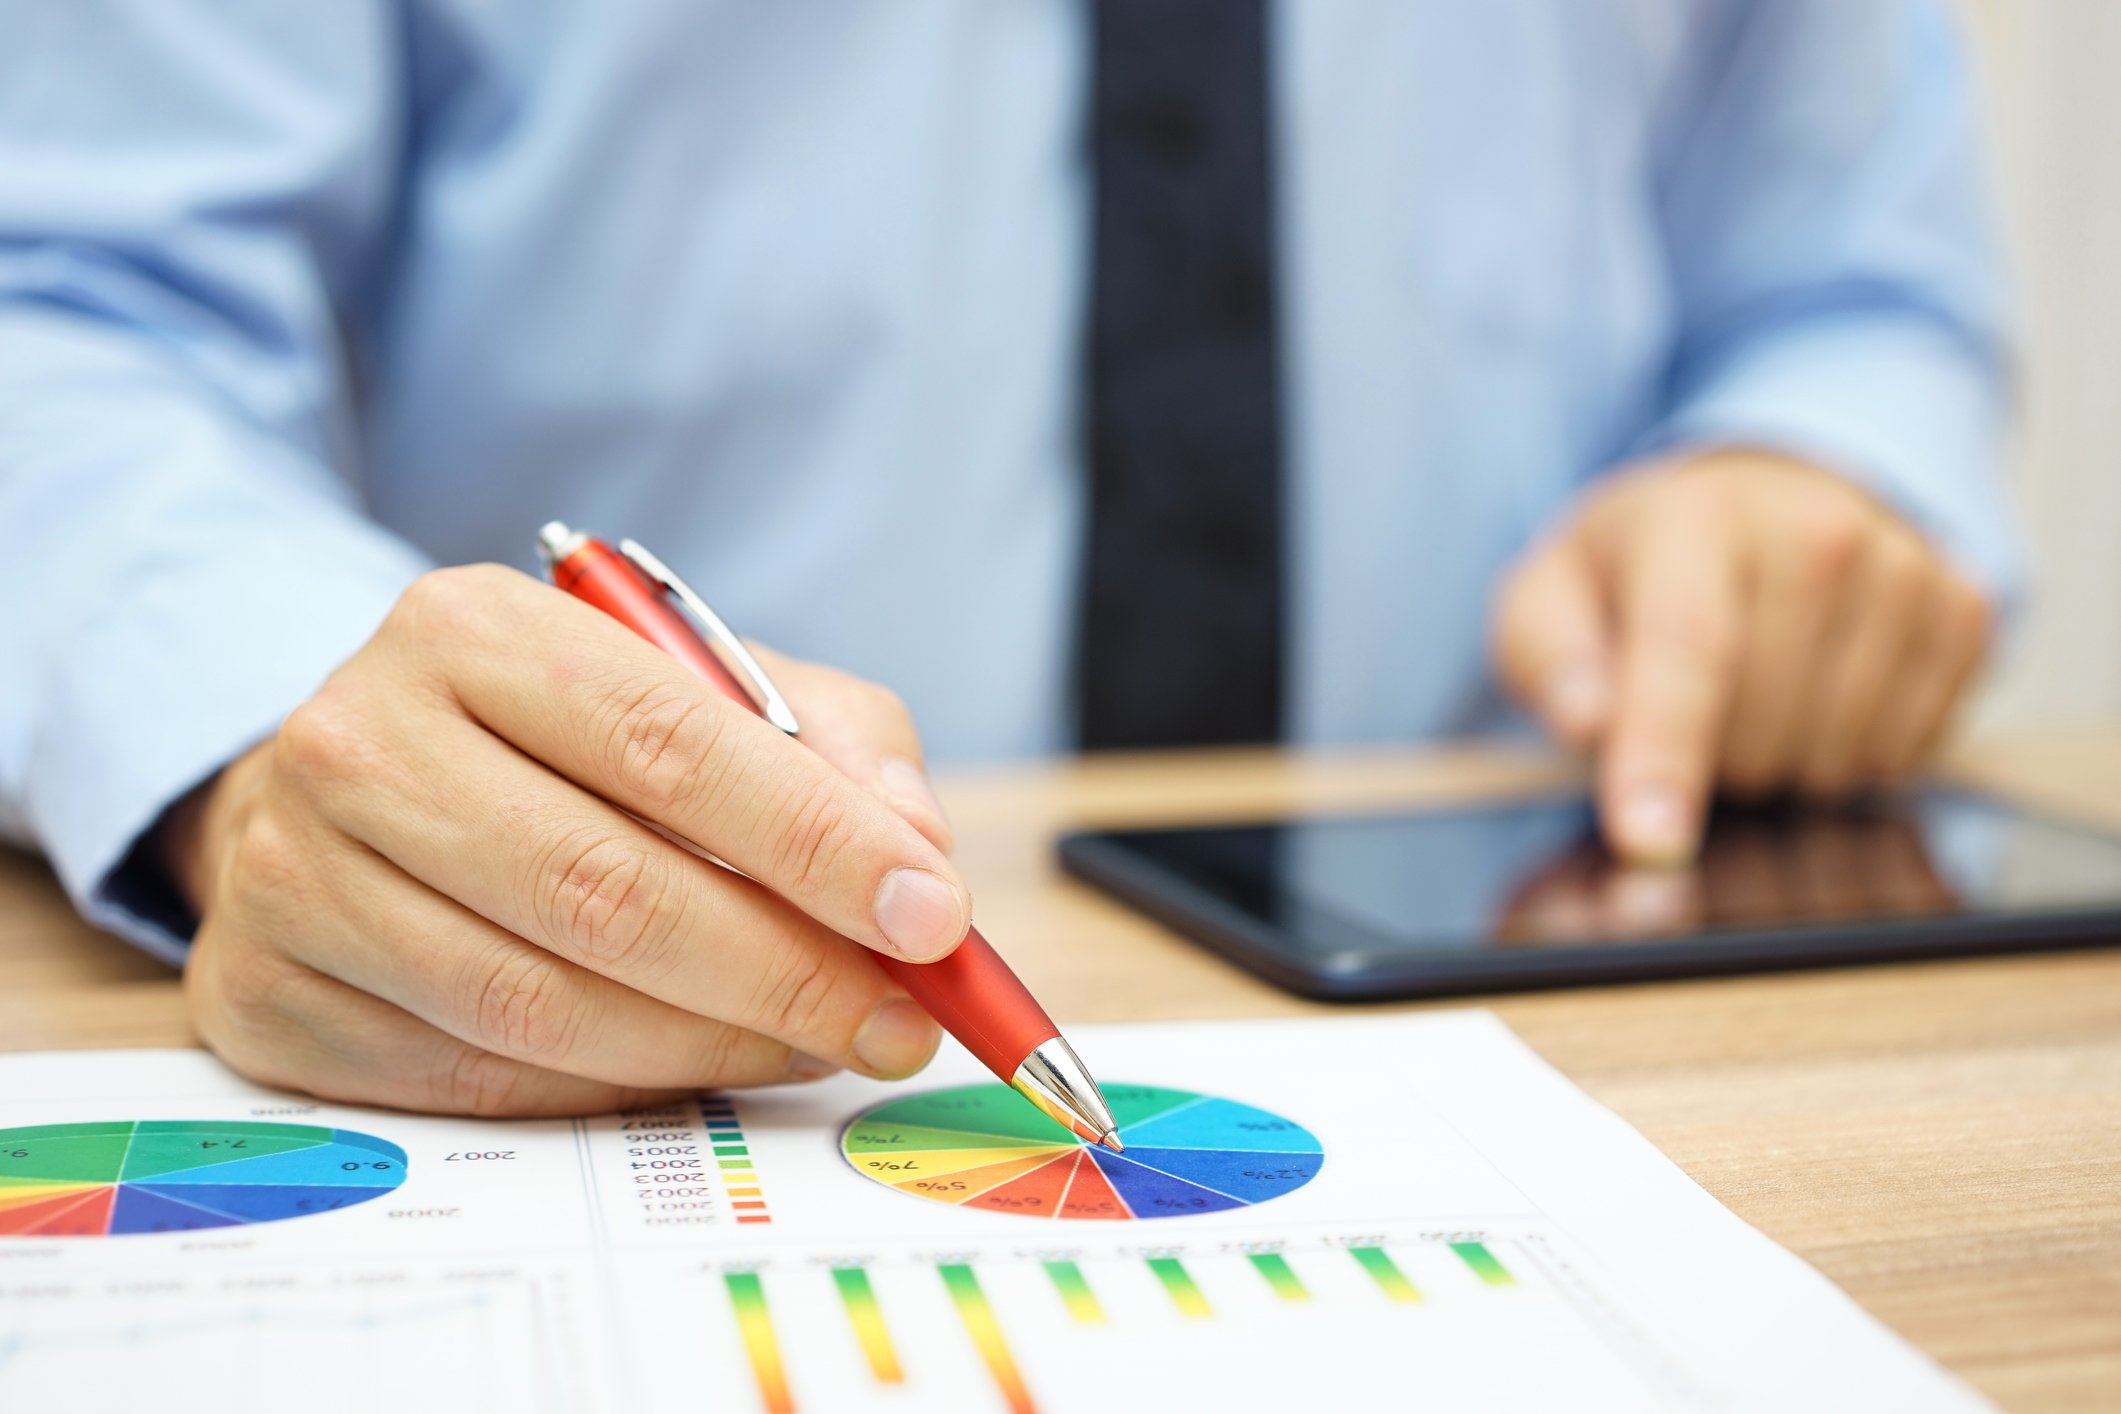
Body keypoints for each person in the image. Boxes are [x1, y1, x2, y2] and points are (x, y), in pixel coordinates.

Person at [0, 1, 2011, 1115]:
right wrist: (267, 725)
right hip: (602, 1022)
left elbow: (1852, 285)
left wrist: (1804, 463)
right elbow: (63, 301)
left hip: (1567, 956)